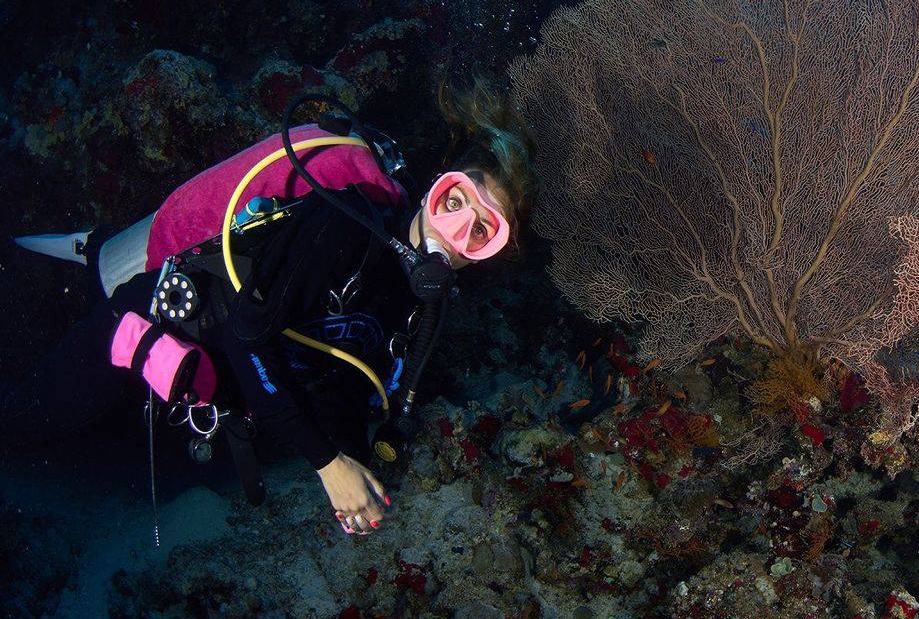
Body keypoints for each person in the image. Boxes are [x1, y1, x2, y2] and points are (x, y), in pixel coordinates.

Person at [7, 91, 533, 539]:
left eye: (483, 231)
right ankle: (77, 253)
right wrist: (329, 465)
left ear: (486, 257)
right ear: (433, 190)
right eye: (455, 202)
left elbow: (341, 379)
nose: (457, 232)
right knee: (24, 424)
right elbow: (245, 334)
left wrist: (354, 460)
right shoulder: (344, 224)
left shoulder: (416, 309)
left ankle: (85, 254)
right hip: (149, 326)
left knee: (81, 468)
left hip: (195, 397)